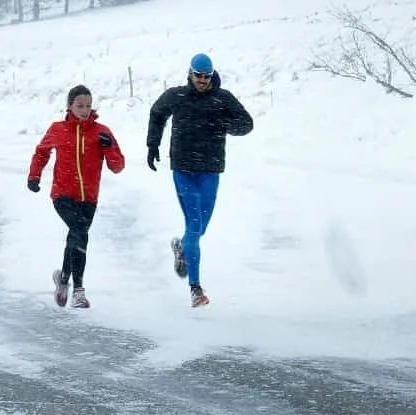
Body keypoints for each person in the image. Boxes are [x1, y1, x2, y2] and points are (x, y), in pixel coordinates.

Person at [145, 52, 253, 307]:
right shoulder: (177, 96)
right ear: (190, 74)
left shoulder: (222, 98)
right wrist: (152, 145)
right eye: (198, 76)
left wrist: (223, 124)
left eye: (206, 76)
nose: (202, 80)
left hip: (210, 170)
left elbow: (246, 123)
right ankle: (196, 288)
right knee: (194, 226)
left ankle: (182, 248)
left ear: (211, 75)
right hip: (183, 169)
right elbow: (157, 113)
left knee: (200, 229)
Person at [27, 84, 126, 309]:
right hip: (62, 195)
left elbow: (118, 166)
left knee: (75, 237)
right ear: (69, 106)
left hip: (89, 198)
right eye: (80, 105)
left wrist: (109, 148)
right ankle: (78, 292)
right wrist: (34, 176)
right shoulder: (58, 129)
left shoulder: (101, 131)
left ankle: (63, 280)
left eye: (88, 105)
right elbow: (41, 152)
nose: (84, 110)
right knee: (80, 234)